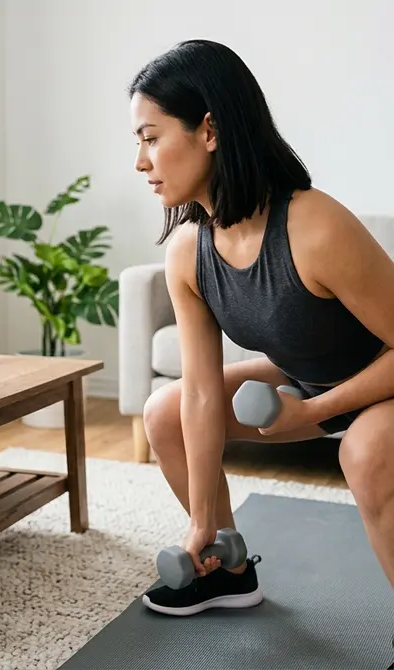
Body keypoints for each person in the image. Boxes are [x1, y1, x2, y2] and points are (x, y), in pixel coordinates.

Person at [129, 39, 394, 619]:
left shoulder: (314, 225)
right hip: (307, 384)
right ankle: (227, 571)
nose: (141, 162)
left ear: (209, 130)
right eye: (138, 143)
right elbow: (201, 393)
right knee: (165, 412)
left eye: (151, 138)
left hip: (382, 385)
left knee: (366, 452)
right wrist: (201, 520)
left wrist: (314, 411)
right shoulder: (188, 252)